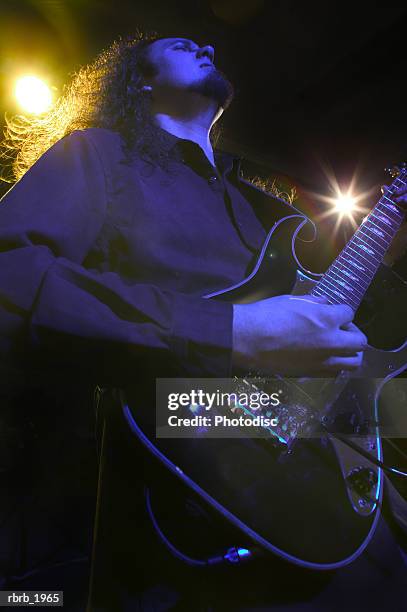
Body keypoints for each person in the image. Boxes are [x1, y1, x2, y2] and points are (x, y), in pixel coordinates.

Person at [0, 32, 406, 611]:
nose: (207, 49)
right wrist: (232, 332)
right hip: (178, 472)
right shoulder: (97, 154)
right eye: (181, 45)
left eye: (209, 48)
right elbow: (11, 279)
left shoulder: (266, 211)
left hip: (328, 497)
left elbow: (314, 359)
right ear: (140, 79)